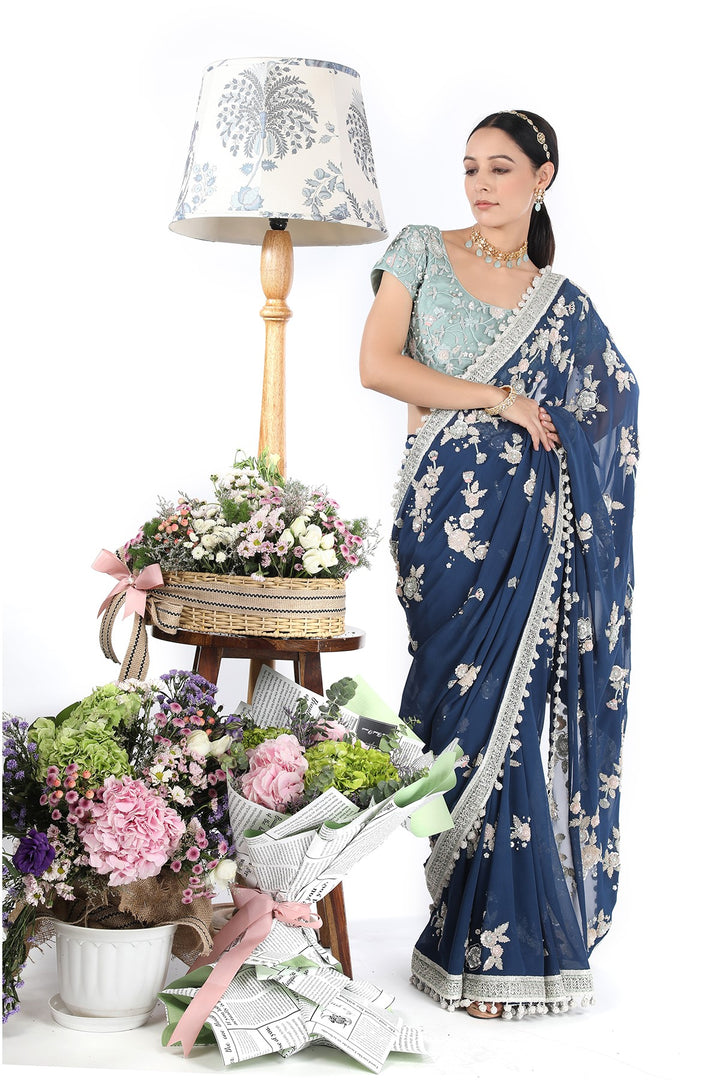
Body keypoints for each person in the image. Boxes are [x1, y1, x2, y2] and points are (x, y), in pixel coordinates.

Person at [360, 110, 638, 1019]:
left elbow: (615, 401)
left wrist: (558, 460)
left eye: (501, 168)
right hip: (440, 520)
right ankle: (467, 919)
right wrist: (499, 399)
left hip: (531, 534)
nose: (480, 185)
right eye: (471, 168)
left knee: (511, 725)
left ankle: (499, 947)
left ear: (541, 177)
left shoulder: (562, 303)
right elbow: (378, 366)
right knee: (454, 719)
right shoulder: (420, 251)